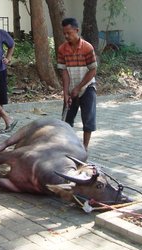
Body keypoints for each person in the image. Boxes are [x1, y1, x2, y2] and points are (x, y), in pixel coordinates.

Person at [57, 18, 98, 151]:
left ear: (77, 31)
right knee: (66, 121)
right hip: (71, 89)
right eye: (64, 33)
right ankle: (67, 147)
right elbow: (64, 72)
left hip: (87, 87)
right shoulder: (62, 49)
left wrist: (79, 87)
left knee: (88, 121)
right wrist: (66, 93)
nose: (66, 36)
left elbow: (93, 70)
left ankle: (84, 148)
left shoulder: (87, 48)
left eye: (69, 33)